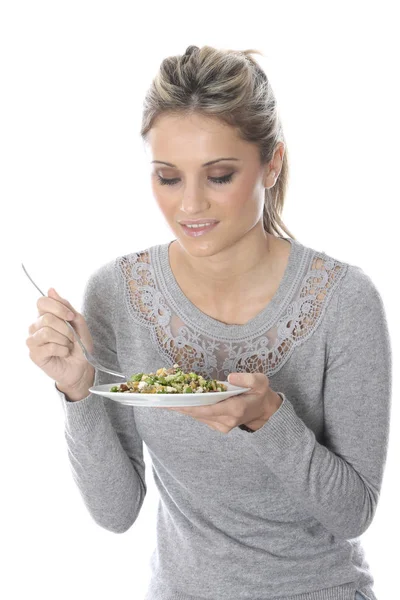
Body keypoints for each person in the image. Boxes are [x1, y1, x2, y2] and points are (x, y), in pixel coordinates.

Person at [26, 45, 391, 600]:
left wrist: (269, 418)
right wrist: (78, 391)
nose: (190, 206)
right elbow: (116, 513)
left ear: (272, 163)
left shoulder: (344, 301)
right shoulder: (117, 293)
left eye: (219, 175)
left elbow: (354, 513)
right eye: (168, 178)